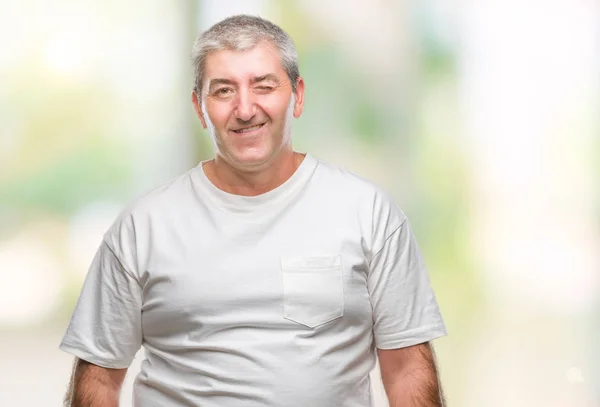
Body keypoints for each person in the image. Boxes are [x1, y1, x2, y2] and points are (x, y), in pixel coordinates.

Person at [60, 14, 447, 407]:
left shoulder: (368, 213)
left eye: (263, 86)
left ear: (297, 96)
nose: (245, 109)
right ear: (199, 107)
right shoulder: (143, 226)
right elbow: (98, 380)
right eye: (224, 90)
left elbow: (406, 370)